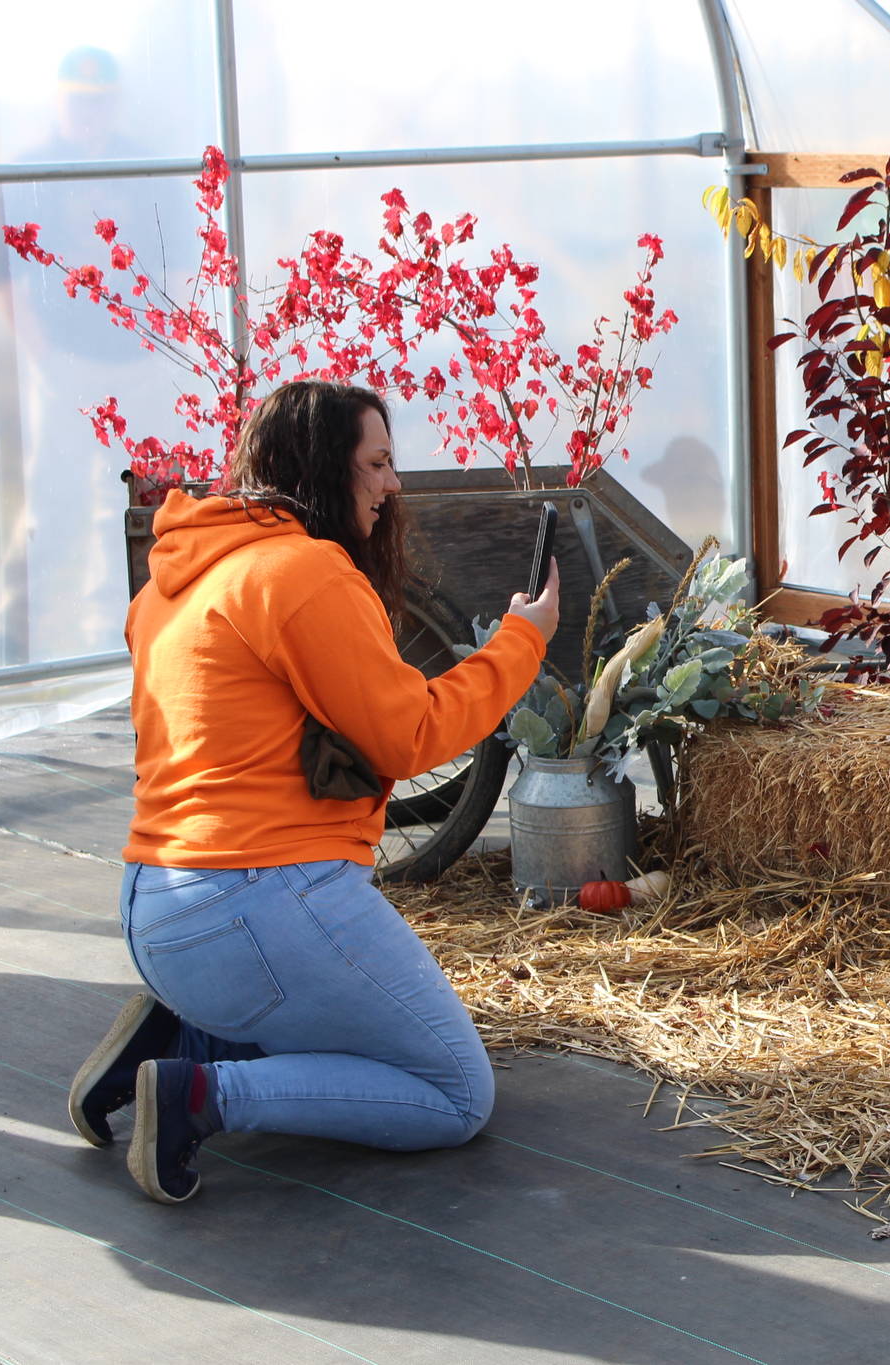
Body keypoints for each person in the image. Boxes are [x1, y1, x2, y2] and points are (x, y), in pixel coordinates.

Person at [63, 380, 560, 1203]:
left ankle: (186, 1030)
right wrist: (522, 642)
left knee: (376, 1035)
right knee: (455, 1092)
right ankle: (202, 1089)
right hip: (254, 903)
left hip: (153, 906)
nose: (392, 484)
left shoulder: (171, 584)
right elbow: (412, 735)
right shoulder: (301, 572)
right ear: (327, 470)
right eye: (377, 462)